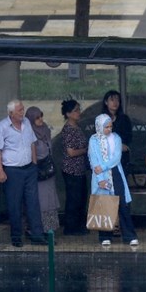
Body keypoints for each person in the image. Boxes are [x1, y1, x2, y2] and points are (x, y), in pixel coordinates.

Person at [0, 99, 46, 247]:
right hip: (12, 170)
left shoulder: (27, 123)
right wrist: (0, 171)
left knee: (33, 203)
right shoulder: (2, 127)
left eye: (23, 109)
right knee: (14, 204)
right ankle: (16, 236)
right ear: (11, 113)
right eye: (19, 110)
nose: (22, 112)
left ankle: (37, 235)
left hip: (29, 168)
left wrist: (34, 164)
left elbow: (32, 144)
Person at [88, 113, 139, 247]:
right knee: (104, 203)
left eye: (110, 126)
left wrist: (104, 167)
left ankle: (129, 235)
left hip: (115, 172)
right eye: (106, 127)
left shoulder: (116, 138)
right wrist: (100, 178)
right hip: (100, 175)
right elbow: (94, 159)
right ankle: (105, 235)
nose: (109, 129)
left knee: (122, 202)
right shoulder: (93, 140)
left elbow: (116, 158)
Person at [26, 106, 59, 235]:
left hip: (48, 171)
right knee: (40, 201)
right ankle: (38, 229)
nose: (40, 119)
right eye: (37, 117)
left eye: (41, 116)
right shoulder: (28, 132)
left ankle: (50, 229)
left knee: (50, 199)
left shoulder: (45, 129)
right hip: (38, 172)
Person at [59, 98, 90, 236]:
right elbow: (71, 152)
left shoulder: (77, 127)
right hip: (71, 170)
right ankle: (71, 227)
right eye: (75, 110)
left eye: (79, 109)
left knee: (81, 198)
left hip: (80, 169)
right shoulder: (68, 129)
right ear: (68, 114)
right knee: (74, 199)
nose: (79, 112)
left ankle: (79, 225)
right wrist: (85, 150)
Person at [101, 90, 133, 173]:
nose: (115, 102)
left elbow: (128, 137)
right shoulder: (101, 119)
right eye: (112, 100)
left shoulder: (124, 119)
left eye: (117, 100)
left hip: (121, 157)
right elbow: (99, 137)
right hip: (106, 157)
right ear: (106, 102)